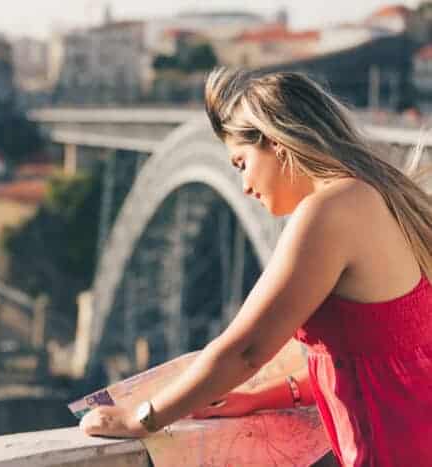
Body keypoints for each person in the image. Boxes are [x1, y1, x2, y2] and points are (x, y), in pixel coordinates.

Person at [80, 67, 432, 467]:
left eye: (241, 162)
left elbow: (247, 350)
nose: (245, 185)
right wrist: (259, 398)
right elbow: (379, 363)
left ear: (275, 143)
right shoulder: (381, 199)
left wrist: (143, 417)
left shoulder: (329, 212)